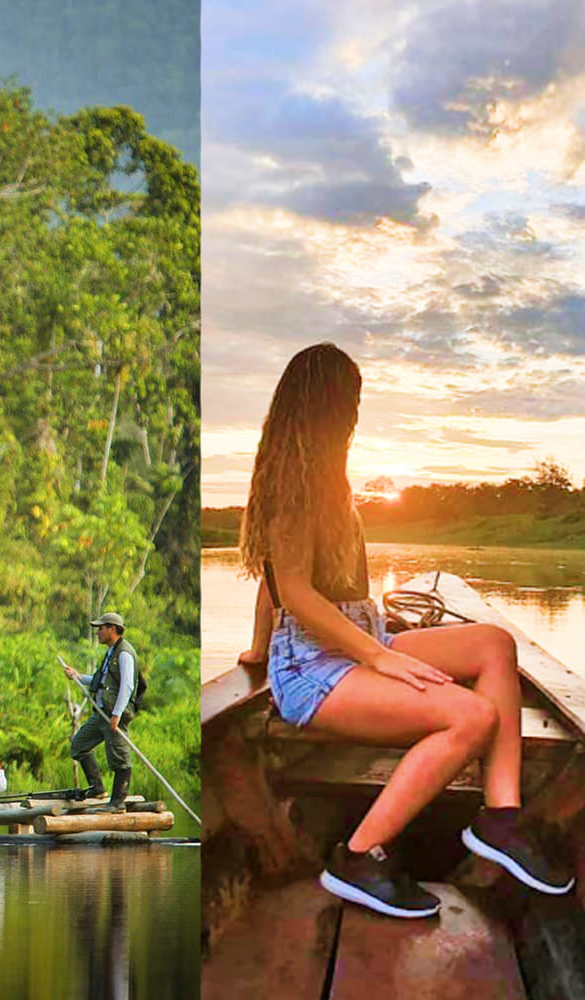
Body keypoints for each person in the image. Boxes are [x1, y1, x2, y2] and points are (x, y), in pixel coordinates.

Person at [238, 342, 572, 918]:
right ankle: (359, 856)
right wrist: (373, 657)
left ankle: (500, 817)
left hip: (356, 639)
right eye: (352, 400)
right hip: (314, 668)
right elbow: (290, 590)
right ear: (328, 405)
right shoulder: (293, 487)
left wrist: (263, 646)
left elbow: (280, 585)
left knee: (495, 644)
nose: (356, 414)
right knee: (471, 716)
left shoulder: (329, 481)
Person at [61, 612, 139, 812]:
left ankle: (118, 802)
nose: (98, 632)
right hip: (101, 714)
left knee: (119, 757)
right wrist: (78, 676)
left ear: (113, 629)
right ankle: (97, 789)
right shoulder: (110, 653)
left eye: (101, 628)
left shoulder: (124, 653)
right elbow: (102, 681)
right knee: (78, 746)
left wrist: (117, 713)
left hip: (113, 714)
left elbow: (127, 686)